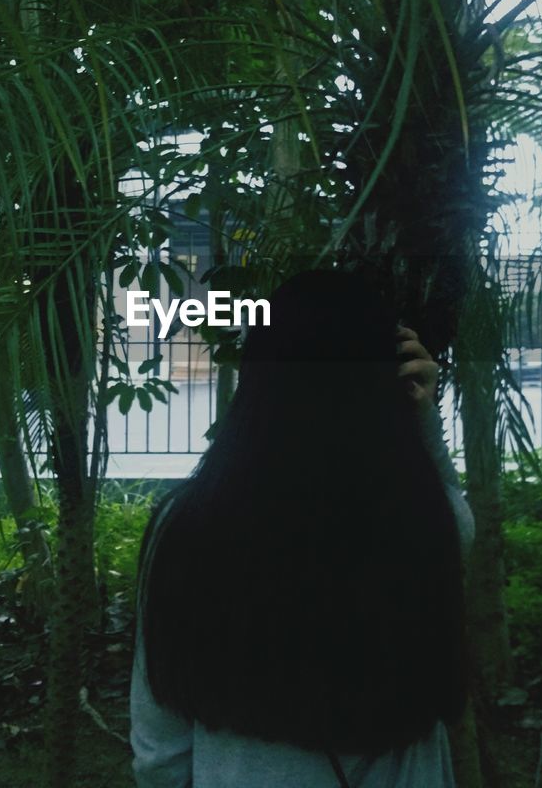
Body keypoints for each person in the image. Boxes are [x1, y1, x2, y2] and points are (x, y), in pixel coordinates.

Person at [130, 270, 474, 788]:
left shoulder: (186, 527)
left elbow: (159, 749)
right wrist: (423, 419)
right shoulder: (432, 520)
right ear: (386, 378)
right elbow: (450, 512)